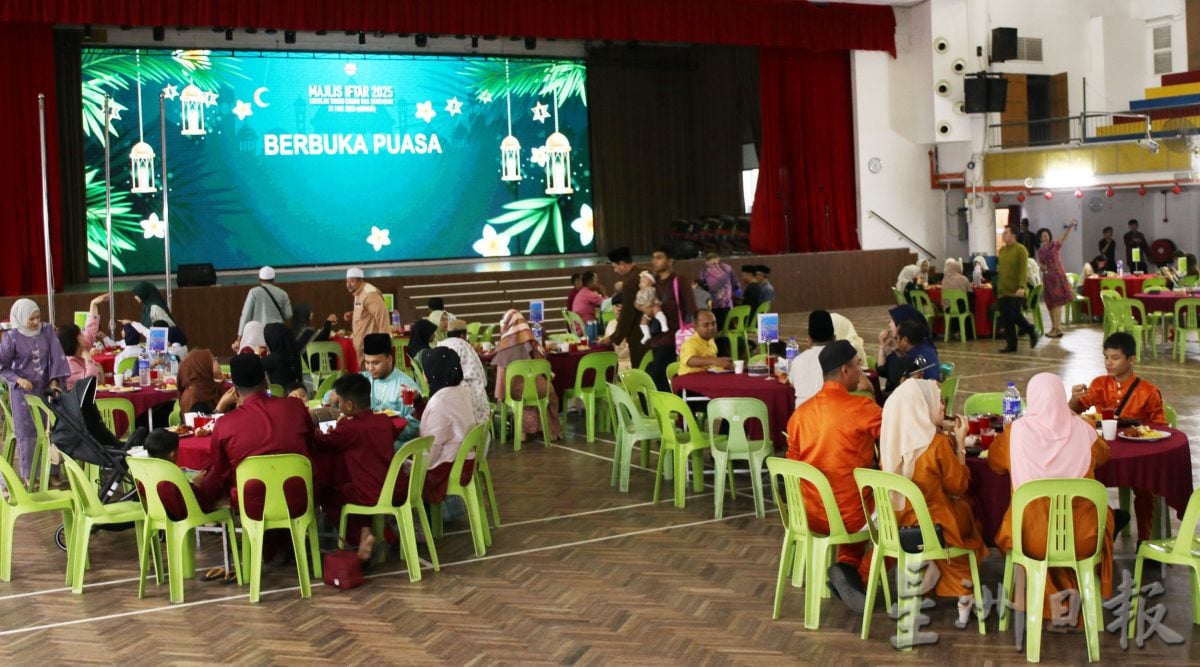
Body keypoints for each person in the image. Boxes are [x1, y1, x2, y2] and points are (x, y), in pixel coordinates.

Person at [988, 373, 1114, 622]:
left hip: (1032, 538)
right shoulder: (1084, 429)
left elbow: (994, 464)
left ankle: (1036, 600)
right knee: (1105, 514)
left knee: (1020, 518)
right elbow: (1103, 456)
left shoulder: (1015, 433)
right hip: (1084, 539)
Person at [785, 340, 881, 611]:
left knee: (858, 502)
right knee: (900, 515)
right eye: (857, 367)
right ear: (845, 371)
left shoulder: (800, 415)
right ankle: (860, 578)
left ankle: (845, 569)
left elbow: (793, 464)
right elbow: (897, 434)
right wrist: (872, 391)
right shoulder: (861, 409)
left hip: (809, 513)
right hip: (850, 515)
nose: (861, 372)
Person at [879, 379, 987, 623]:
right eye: (937, 400)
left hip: (899, 523)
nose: (942, 406)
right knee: (969, 509)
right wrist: (959, 445)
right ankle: (962, 589)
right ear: (920, 406)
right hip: (935, 525)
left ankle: (930, 569)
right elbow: (959, 486)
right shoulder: (936, 445)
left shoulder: (890, 443)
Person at [1069, 332, 1166, 544]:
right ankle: (1097, 532)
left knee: (1146, 487)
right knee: (1081, 481)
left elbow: (1160, 427)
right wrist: (1074, 400)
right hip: (1102, 448)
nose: (1108, 363)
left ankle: (1145, 540)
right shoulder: (1099, 384)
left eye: (1115, 358)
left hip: (1136, 453)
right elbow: (1073, 413)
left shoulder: (1148, 391)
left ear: (1131, 360)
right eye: (1106, 357)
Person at [192, 353, 315, 516]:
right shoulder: (296, 407)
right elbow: (311, 443)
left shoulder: (224, 424)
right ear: (266, 381)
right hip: (300, 500)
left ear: (234, 390)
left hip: (251, 506)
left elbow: (222, 470)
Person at [312, 373, 397, 560]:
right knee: (350, 482)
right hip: (393, 487)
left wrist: (317, 433)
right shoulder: (383, 421)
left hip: (368, 492)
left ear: (349, 405)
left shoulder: (351, 429)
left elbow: (325, 443)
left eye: (340, 402)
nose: (338, 406)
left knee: (329, 494)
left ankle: (357, 539)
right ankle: (367, 530)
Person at [0, 299, 70, 483]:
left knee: (52, 430)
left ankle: (53, 473)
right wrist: (18, 380)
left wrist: (55, 380)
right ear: (21, 318)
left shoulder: (47, 331)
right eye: (31, 319)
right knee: (28, 433)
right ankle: (31, 475)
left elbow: (57, 356)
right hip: (23, 394)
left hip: (47, 390)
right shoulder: (11, 337)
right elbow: (2, 366)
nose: (36, 322)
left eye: (38, 317)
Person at [418, 347, 481, 503]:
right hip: (466, 461)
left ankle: (415, 521)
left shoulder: (440, 403)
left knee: (398, 473)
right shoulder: (460, 391)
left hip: (450, 468)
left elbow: (431, 453)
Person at [492, 309, 562, 441]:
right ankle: (552, 432)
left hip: (515, 390)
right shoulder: (532, 342)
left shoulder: (503, 347)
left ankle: (523, 433)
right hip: (539, 388)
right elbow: (542, 363)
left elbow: (501, 376)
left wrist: (500, 395)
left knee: (521, 399)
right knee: (549, 394)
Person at [645, 245, 695, 391]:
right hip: (655, 338)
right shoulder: (652, 283)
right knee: (661, 381)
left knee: (658, 377)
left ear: (670, 261)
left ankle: (670, 409)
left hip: (673, 340)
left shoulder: (680, 281)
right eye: (653, 258)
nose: (654, 261)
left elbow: (691, 309)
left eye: (659, 258)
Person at [357, 333, 421, 428]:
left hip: (395, 440)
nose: (370, 368)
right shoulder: (363, 379)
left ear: (389, 359)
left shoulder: (405, 387)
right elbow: (331, 397)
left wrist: (385, 433)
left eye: (376, 363)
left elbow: (413, 425)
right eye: (367, 362)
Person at [437, 319, 492, 426]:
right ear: (463, 335)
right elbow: (480, 377)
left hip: (445, 396)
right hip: (471, 399)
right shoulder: (465, 346)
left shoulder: (440, 345)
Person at [997, 225, 1039, 353]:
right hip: (1003, 289)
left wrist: (1021, 286)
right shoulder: (1002, 251)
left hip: (1016, 290)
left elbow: (1023, 270)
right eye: (1003, 233)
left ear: (1014, 235)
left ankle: (1030, 330)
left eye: (1006, 233)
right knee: (1006, 318)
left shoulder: (1021, 250)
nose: (1003, 235)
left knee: (1014, 315)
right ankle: (1011, 344)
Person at [607, 247, 650, 372]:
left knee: (642, 373)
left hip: (640, 335)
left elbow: (627, 314)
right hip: (658, 333)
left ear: (622, 264)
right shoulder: (649, 273)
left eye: (615, 267)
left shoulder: (631, 281)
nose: (615, 271)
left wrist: (614, 337)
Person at [234, 266, 293, 352]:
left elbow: (245, 315)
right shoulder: (282, 293)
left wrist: (239, 337)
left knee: (262, 356)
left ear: (260, 279)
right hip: (278, 332)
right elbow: (288, 314)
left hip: (259, 331)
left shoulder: (254, 292)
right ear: (273, 279)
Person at [876, 304, 930, 398]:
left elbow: (884, 372)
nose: (889, 324)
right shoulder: (920, 352)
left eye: (891, 321)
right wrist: (883, 347)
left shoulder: (917, 356)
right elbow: (882, 370)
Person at [1036, 220, 1078, 338]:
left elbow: (1063, 237)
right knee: (1050, 303)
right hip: (1048, 278)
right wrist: (1041, 267)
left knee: (1057, 303)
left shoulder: (1055, 245)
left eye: (1046, 235)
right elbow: (1041, 265)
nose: (1045, 237)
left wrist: (1069, 227)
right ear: (1040, 238)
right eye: (1043, 236)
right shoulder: (1040, 251)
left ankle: (1058, 328)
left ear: (1049, 236)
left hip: (1057, 276)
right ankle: (1053, 328)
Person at [59, 294, 110, 389]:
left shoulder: (82, 347)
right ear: (73, 341)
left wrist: (93, 304)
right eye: (80, 335)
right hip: (78, 402)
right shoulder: (68, 364)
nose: (83, 335)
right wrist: (88, 359)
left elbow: (91, 329)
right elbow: (90, 383)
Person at [343, 267, 390, 366]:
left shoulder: (370, 294)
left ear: (360, 280)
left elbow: (382, 315)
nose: (348, 285)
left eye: (352, 281)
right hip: (362, 346)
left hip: (371, 347)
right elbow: (365, 311)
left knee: (371, 375)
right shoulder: (358, 293)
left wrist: (385, 342)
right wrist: (352, 314)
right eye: (347, 282)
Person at [789, 310, 834, 407]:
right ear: (834, 338)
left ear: (809, 339)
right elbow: (862, 384)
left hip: (802, 419)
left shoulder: (797, 360)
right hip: (831, 416)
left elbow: (792, 383)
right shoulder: (841, 357)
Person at [177, 349, 236, 414]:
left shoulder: (211, 386)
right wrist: (222, 404)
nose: (217, 362)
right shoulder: (194, 396)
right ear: (202, 367)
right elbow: (202, 423)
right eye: (213, 360)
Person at [678, 309, 732, 375]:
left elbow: (711, 363)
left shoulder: (711, 340)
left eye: (713, 323)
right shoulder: (690, 343)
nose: (711, 327)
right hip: (689, 380)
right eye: (706, 325)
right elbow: (690, 360)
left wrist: (721, 361)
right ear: (695, 327)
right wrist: (714, 361)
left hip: (707, 376)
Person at [262, 322, 303, 391]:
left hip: (280, 396)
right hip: (295, 390)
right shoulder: (292, 353)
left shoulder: (273, 358)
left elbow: (254, 368)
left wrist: (256, 353)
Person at [702, 253, 736, 332]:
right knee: (728, 328)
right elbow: (735, 284)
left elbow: (704, 287)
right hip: (727, 304)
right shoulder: (728, 268)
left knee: (717, 328)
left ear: (706, 262)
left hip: (714, 305)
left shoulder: (705, 271)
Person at [634, 270, 670, 344]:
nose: (641, 283)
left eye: (644, 281)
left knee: (656, 309)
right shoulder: (639, 293)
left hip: (653, 305)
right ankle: (646, 334)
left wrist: (648, 305)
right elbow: (637, 302)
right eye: (641, 282)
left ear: (651, 282)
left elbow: (651, 298)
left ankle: (663, 323)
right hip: (646, 309)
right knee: (643, 322)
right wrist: (641, 306)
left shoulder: (651, 289)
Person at [599, 293, 631, 371]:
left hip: (628, 364)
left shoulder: (631, 325)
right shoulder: (611, 323)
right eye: (617, 306)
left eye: (623, 306)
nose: (619, 309)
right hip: (612, 362)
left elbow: (625, 352)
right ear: (612, 308)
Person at [570, 271, 605, 340]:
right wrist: (603, 292)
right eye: (596, 279)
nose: (598, 281)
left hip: (578, 327)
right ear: (590, 282)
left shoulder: (583, 291)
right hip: (586, 327)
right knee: (609, 325)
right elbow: (606, 304)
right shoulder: (589, 294)